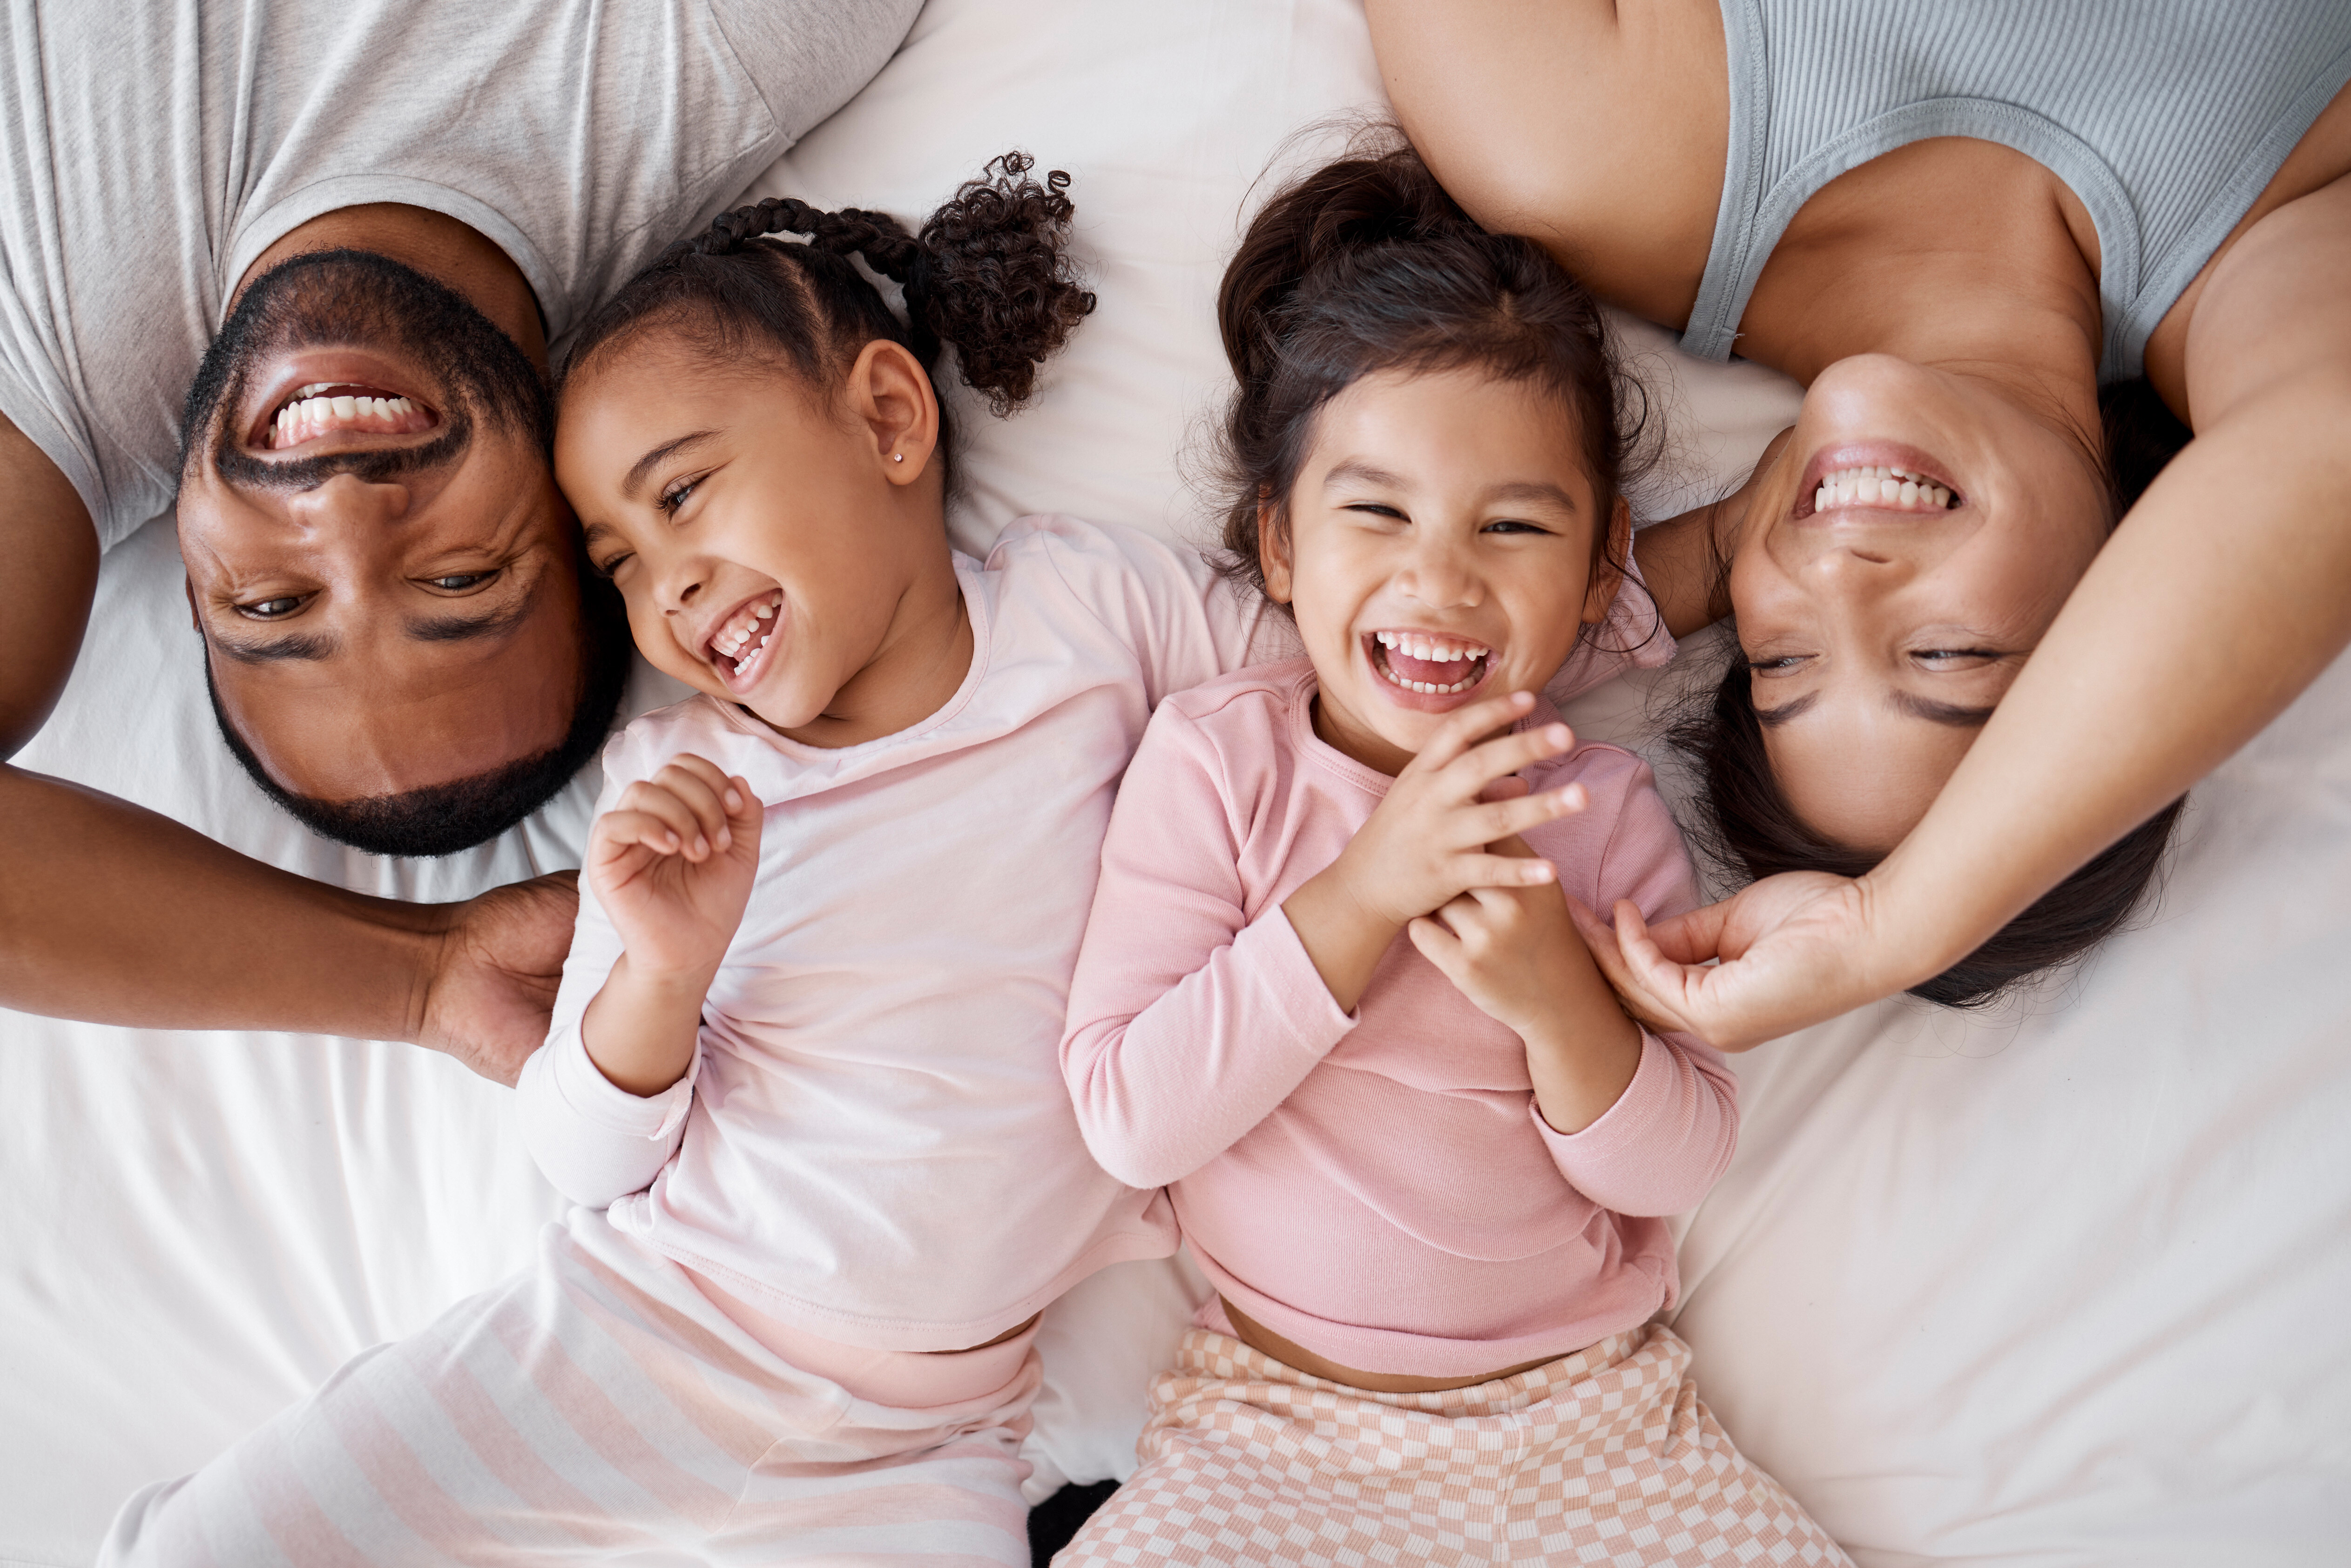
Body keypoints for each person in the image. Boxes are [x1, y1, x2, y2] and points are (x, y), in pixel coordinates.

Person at [100, 155, 1277, 1565]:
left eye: (685, 498)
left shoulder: (1096, 612)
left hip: (930, 1438)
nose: (669, 590)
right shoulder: (682, 789)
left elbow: (1330, 687)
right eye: (621, 565)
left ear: (892, 418)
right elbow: (579, 1155)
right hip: (634, 1338)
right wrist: (659, 973)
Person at [1053, 148, 1848, 1566]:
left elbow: (1676, 1161)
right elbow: (1129, 1115)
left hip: (1587, 1421)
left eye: (1514, 526)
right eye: (1376, 512)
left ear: (1601, 571)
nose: (1440, 577)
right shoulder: (1218, 765)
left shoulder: (1594, 809)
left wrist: (1558, 1001)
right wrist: (1359, 898)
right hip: (1273, 1433)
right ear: (1278, 545)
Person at [1366, 0, 2351, 1035]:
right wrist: (1893, 929)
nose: (1838, 572)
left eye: (1783, 656)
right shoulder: (2273, 256)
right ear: (2123, 606)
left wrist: (1695, 551)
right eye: (1942, 652)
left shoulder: (1571, 148)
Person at [0, 0, 917, 1079]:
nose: (338, 510)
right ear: (575, 501)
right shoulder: (714, 51)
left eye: (272, 605)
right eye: (459, 576)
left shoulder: (49, 381)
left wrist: (428, 980)